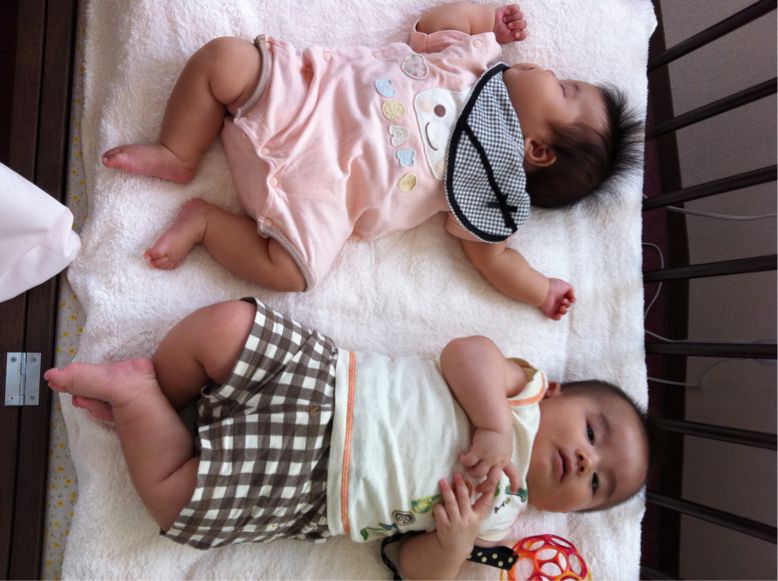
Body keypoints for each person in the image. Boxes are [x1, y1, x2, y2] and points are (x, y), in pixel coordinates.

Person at [100, 2, 641, 320]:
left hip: (325, 193)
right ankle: (179, 151)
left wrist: (541, 289)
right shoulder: (474, 63)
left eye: (564, 88)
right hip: (305, 98)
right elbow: (429, 25)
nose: (548, 70)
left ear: (538, 150)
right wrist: (486, 20)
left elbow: (494, 260)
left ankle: (206, 223)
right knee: (225, 57)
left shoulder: (487, 191)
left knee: (293, 271)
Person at [45, 298, 649, 579]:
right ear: (555, 393)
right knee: (226, 326)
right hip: (328, 385)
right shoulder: (520, 394)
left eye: (598, 482)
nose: (585, 460)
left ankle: (139, 400)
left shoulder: (497, 522)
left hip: (309, 494)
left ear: (567, 510)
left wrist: (453, 542)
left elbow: (411, 567)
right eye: (592, 432)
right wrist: (492, 424)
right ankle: (164, 389)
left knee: (177, 505)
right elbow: (465, 353)